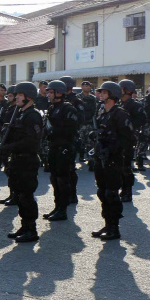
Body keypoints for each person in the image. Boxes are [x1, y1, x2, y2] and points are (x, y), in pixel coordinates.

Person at [0, 82, 43, 243]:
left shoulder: (33, 115)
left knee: (26, 195)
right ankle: (24, 226)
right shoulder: (19, 113)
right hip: (17, 159)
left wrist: (10, 146)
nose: (16, 97)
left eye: (20, 95)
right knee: (19, 194)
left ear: (28, 97)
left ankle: (31, 229)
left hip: (27, 160)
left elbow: (31, 142)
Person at [92, 81, 134, 240]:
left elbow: (127, 139)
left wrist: (110, 150)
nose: (101, 95)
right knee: (102, 192)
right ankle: (107, 223)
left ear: (112, 95)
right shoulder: (102, 112)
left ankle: (114, 228)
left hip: (114, 160)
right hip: (101, 158)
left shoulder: (120, 114)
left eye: (104, 92)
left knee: (111, 193)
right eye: (100, 92)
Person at [42, 80, 80, 222]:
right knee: (54, 178)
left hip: (64, 147)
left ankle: (62, 210)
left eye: (51, 92)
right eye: (49, 92)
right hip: (53, 146)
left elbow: (72, 128)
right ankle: (57, 207)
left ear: (59, 93)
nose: (49, 94)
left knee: (62, 179)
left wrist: (55, 130)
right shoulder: (52, 107)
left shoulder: (67, 108)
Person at [59, 76, 86, 204]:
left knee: (70, 167)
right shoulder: (59, 100)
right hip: (59, 137)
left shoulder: (76, 101)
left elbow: (80, 119)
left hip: (71, 137)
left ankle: (72, 194)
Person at [118, 79, 145, 202]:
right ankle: (121, 188)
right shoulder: (118, 103)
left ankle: (127, 191)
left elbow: (141, 120)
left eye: (121, 88)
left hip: (127, 139)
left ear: (127, 90)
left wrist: (128, 125)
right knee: (117, 166)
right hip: (116, 139)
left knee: (126, 167)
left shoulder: (135, 105)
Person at [79, 82, 99, 166]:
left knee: (90, 142)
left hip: (90, 123)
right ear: (82, 87)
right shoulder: (78, 98)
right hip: (81, 123)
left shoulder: (93, 98)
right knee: (80, 142)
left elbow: (96, 110)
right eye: (85, 86)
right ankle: (81, 156)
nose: (87, 88)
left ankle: (91, 160)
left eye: (89, 86)